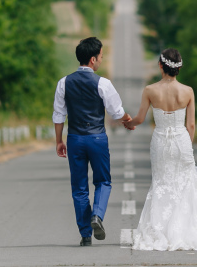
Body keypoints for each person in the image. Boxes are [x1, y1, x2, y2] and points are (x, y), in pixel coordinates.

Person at [123, 48, 197, 251]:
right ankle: (184, 231)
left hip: (160, 142)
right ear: (179, 68)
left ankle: (162, 231)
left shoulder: (150, 90)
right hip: (181, 141)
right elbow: (190, 125)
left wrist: (129, 123)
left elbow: (140, 118)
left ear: (161, 66)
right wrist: (187, 146)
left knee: (161, 183)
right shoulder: (188, 91)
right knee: (185, 185)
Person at [53, 37, 133, 247]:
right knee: (103, 181)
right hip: (97, 138)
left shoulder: (63, 83)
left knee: (79, 188)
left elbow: (59, 115)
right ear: (92, 59)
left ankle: (86, 234)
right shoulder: (103, 83)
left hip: (74, 139)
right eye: (101, 57)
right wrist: (129, 121)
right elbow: (117, 112)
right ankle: (97, 215)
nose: (101, 60)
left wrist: (59, 141)